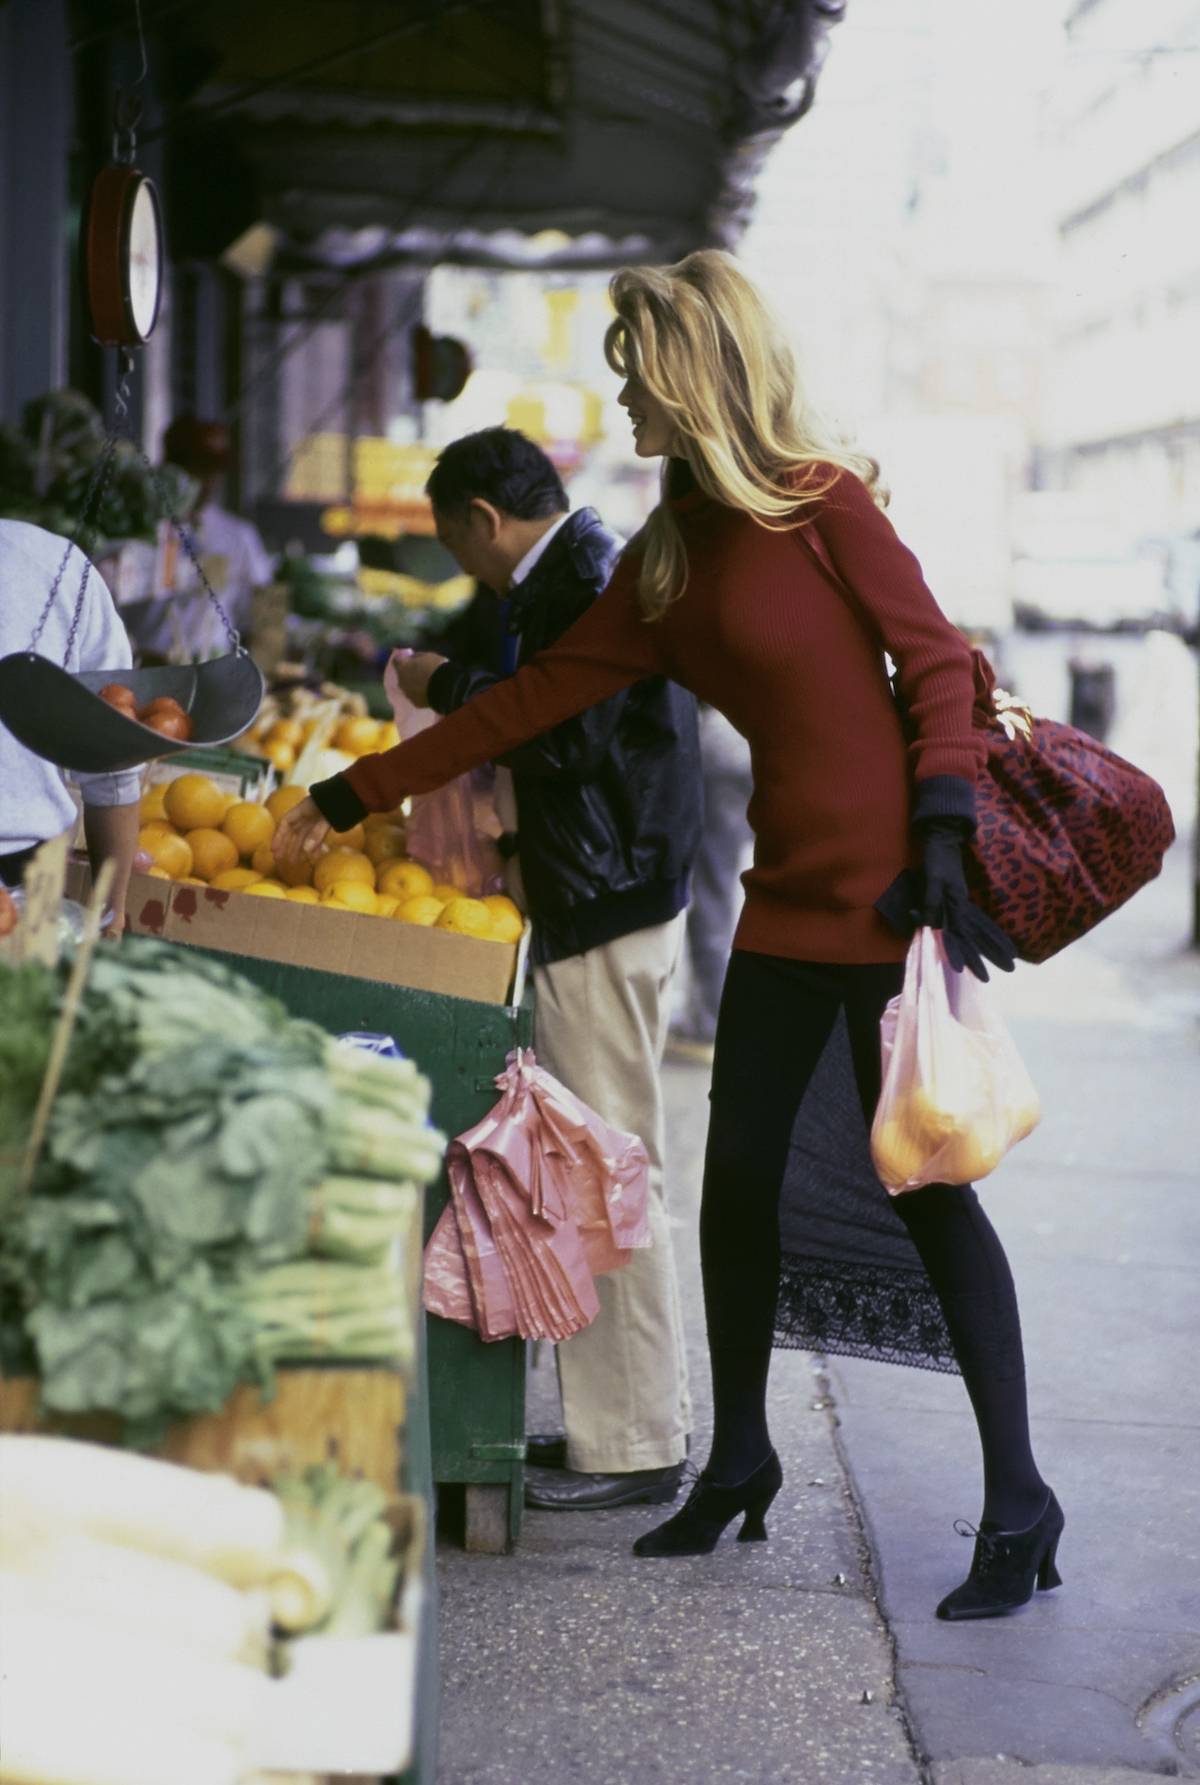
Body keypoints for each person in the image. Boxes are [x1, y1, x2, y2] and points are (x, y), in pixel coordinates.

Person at [278, 251, 1060, 1621]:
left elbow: (934, 658)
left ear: (692, 371)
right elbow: (538, 699)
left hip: (888, 899)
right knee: (736, 1186)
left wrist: (940, 826)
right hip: (780, 909)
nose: (621, 388)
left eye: (635, 363)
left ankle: (1020, 1503)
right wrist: (348, 793)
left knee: (930, 1192)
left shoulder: (823, 504)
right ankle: (740, 1458)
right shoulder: (668, 553)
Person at [386, 426, 702, 1513]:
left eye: (455, 543)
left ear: (480, 518)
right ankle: (618, 1427)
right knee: (597, 1163)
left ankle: (638, 1442)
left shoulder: (583, 579)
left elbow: (562, 733)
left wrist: (450, 681)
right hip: (609, 892)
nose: (463, 567)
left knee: (610, 1166)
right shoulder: (575, 573)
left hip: (605, 903)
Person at [0, 520, 141, 932]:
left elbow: (114, 760)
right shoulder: (53, 562)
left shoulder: (58, 567)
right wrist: (110, 922)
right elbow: (113, 766)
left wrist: (110, 918)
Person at [128, 417, 273, 662]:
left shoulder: (238, 536)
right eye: (195, 468)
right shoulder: (138, 529)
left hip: (211, 669)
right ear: (169, 466)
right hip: (143, 669)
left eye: (213, 471)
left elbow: (267, 617)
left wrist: (267, 671)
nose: (206, 481)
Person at [666, 702, 754, 1065]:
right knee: (727, 882)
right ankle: (716, 1012)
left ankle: (712, 1018)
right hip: (750, 741)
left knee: (712, 890)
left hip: (721, 741)